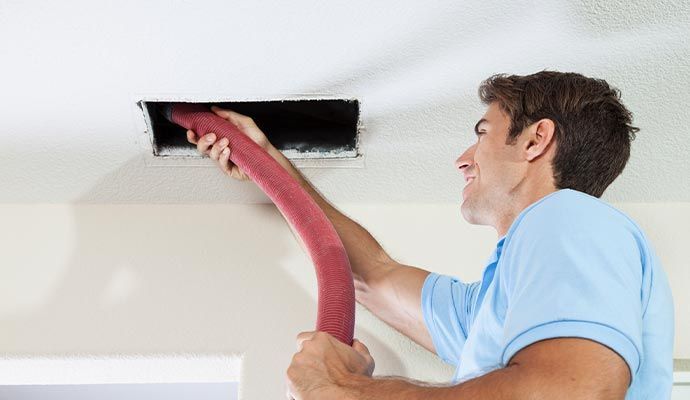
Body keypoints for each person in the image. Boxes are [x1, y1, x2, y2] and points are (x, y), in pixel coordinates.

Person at [187, 71, 674, 399]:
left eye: (482, 133)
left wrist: (351, 390)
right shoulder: (496, 310)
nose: (463, 159)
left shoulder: (568, 217)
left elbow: (574, 391)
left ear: (535, 140)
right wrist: (268, 164)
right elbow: (372, 276)